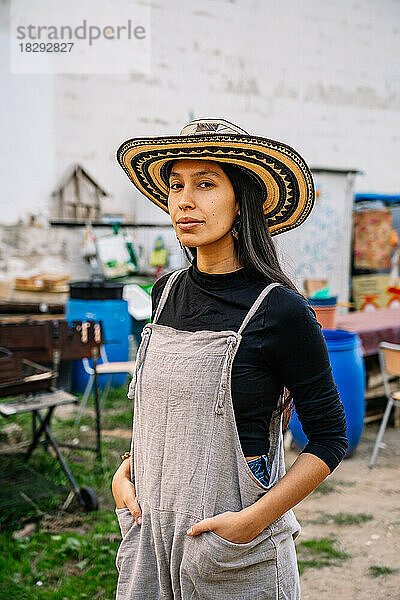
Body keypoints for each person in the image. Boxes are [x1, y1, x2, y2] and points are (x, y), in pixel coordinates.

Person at [112, 118, 348, 599]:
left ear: (242, 200)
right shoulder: (165, 293)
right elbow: (167, 406)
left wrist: (249, 523)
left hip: (228, 548)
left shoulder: (279, 309)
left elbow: (329, 437)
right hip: (152, 537)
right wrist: (127, 471)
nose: (183, 199)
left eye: (205, 184)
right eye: (176, 184)